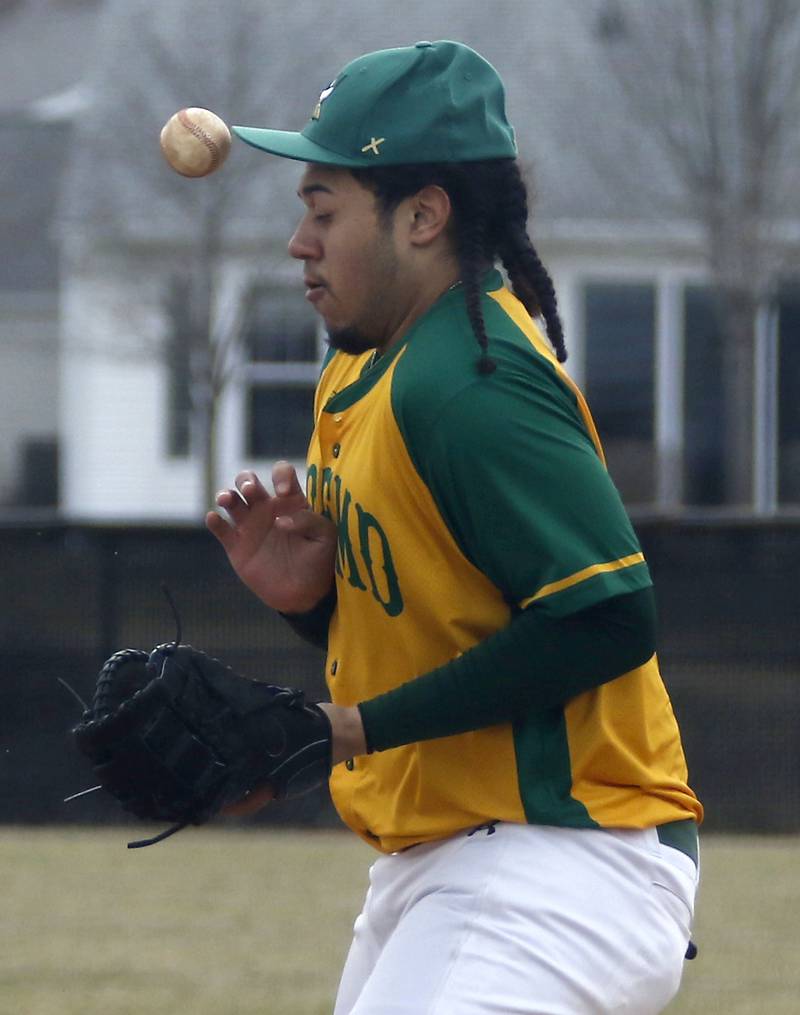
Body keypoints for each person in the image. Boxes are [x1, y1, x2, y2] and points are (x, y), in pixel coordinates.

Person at [206, 40, 702, 1015]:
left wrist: (344, 728)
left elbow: (607, 620)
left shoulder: (475, 381)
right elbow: (448, 624)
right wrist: (315, 607)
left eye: (322, 209)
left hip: (563, 855)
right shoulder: (360, 364)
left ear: (422, 216)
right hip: (444, 852)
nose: (299, 242)